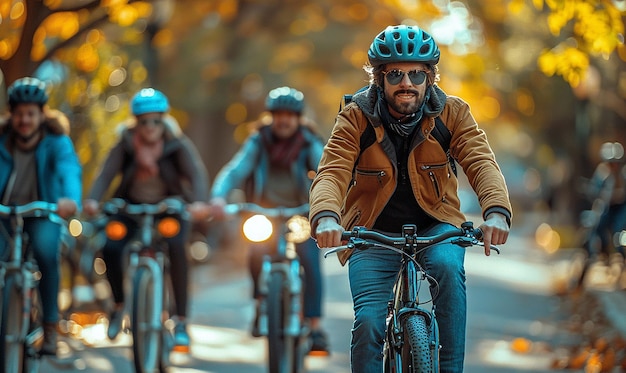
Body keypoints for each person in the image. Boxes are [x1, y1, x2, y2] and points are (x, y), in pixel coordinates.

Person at [310, 25, 512, 372]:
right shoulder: (356, 116)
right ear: (379, 79)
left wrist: (496, 212)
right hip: (370, 233)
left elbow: (481, 162)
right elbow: (332, 170)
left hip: (437, 228)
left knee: (448, 269)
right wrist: (327, 217)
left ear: (430, 77)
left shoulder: (453, 113)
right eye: (396, 74)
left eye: (417, 73)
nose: (407, 82)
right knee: (371, 322)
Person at [82, 88, 209, 353]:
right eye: (143, 121)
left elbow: (196, 175)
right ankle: (117, 307)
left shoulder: (177, 144)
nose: (150, 127)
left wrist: (198, 202)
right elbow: (106, 175)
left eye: (155, 120)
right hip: (130, 209)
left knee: (176, 248)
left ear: (163, 120)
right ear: (135, 123)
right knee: (111, 246)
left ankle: (181, 321)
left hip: (169, 209)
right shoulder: (125, 143)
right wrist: (94, 200)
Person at [209, 86, 330, 354]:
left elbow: (326, 172)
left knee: (309, 259)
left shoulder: (309, 141)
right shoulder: (259, 140)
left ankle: (315, 325)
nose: (284, 120)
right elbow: (235, 170)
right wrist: (219, 197)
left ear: (299, 118)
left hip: (300, 214)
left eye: (289, 115)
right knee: (255, 253)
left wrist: (330, 204)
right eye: (278, 114)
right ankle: (262, 302)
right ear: (270, 117)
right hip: (263, 213)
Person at [0, 77, 82, 355]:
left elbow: (69, 169)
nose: (25, 120)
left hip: (42, 211)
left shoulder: (57, 142)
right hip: (5, 214)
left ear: (41, 114)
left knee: (47, 253)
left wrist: (69, 199)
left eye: (30, 113)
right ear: (11, 115)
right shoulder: (2, 140)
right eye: (19, 113)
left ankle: (49, 328)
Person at [583, 141, 626, 262]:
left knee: (618, 231)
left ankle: (621, 256)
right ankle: (600, 254)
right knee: (597, 226)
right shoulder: (602, 173)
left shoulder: (623, 175)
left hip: (621, 208)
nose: (613, 166)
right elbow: (594, 191)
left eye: (615, 163)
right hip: (607, 207)